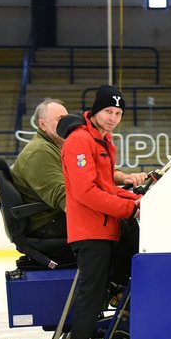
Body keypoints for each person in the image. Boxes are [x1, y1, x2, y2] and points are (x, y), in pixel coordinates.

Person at [57, 85, 143, 339]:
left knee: (96, 299)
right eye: (109, 111)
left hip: (104, 228)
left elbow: (106, 186)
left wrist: (135, 200)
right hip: (89, 231)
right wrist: (128, 209)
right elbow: (86, 192)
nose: (113, 118)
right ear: (94, 111)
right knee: (90, 300)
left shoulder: (104, 141)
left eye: (118, 114)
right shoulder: (80, 141)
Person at [12, 98, 147, 239]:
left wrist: (125, 181)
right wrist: (122, 206)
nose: (66, 122)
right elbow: (64, 197)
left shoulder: (61, 145)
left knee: (122, 219)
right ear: (43, 124)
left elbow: (97, 175)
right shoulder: (39, 152)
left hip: (56, 216)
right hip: (47, 222)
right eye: (60, 119)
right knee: (119, 223)